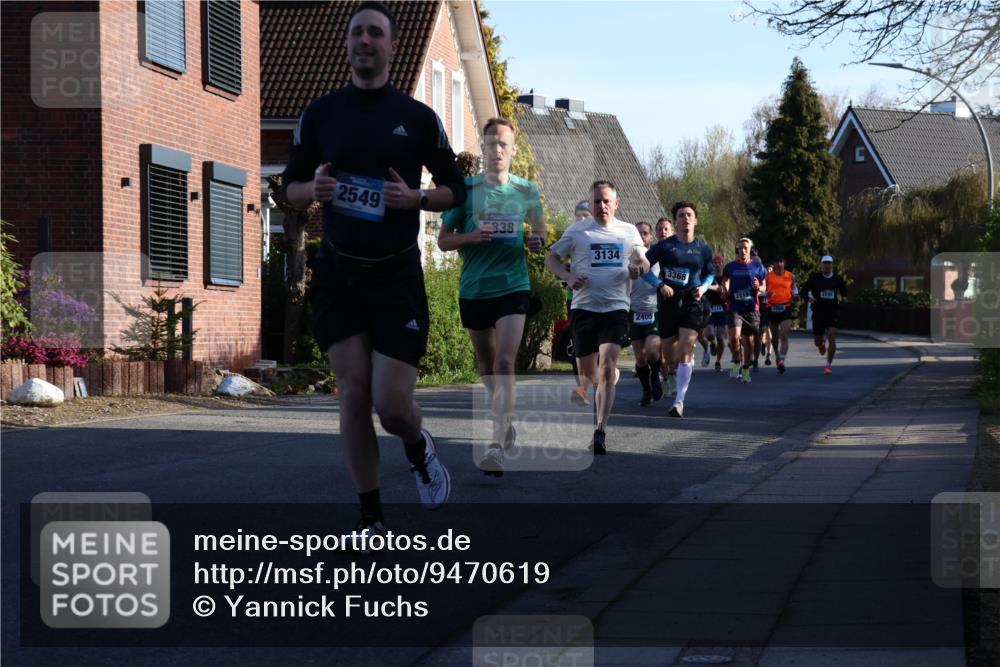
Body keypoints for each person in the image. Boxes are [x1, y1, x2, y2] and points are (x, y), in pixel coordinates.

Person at [283, 1, 467, 535]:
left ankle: (418, 443)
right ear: (348, 43)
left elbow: (456, 186)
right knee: (352, 391)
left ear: (392, 46)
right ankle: (371, 513)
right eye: (357, 32)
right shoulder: (320, 114)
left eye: (375, 33)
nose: (365, 40)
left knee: (390, 404)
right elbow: (290, 187)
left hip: (395, 276)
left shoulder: (416, 118)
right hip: (339, 274)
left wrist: (418, 199)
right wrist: (309, 191)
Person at [439, 117, 546, 477]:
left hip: (513, 286)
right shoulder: (466, 192)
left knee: (503, 363)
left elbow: (541, 234)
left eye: (503, 144)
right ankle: (506, 421)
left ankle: (497, 443)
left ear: (513, 150)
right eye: (490, 144)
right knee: (487, 369)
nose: (497, 149)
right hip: (474, 289)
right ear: (482, 149)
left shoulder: (527, 191)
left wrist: (537, 240)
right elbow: (443, 239)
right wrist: (471, 237)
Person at [546, 180, 649, 454]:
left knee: (605, 368)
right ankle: (605, 378)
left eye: (606, 201)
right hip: (584, 309)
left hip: (615, 309)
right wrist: (567, 276)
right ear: (590, 204)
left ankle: (600, 430)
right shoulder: (578, 231)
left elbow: (644, 260)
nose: (601, 206)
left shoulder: (628, 232)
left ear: (616, 203)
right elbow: (551, 259)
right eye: (596, 202)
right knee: (588, 375)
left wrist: (638, 268)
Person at [645, 201, 715, 418]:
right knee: (669, 354)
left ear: (695, 220)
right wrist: (659, 285)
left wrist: (703, 288)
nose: (685, 218)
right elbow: (643, 269)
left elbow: (709, 273)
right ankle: (674, 374)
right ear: (675, 220)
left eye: (689, 214)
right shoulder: (664, 246)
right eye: (681, 215)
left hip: (692, 302)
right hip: (668, 303)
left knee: (685, 348)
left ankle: (679, 401)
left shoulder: (703, 248)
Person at [722, 238, 767, 384]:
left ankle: (746, 368)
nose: (742, 251)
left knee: (748, 340)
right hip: (735, 306)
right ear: (737, 250)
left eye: (745, 248)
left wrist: (758, 287)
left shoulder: (758, 267)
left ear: (750, 250)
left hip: (751, 307)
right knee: (734, 337)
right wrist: (725, 289)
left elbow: (764, 287)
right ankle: (736, 361)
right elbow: (725, 282)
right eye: (740, 248)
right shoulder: (730, 267)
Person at [629, 222, 663, 406]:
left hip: (654, 311)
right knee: (640, 358)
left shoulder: (657, 258)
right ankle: (646, 389)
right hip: (634, 311)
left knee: (651, 350)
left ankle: (656, 376)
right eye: (638, 233)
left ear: (651, 237)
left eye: (645, 233)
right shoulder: (627, 258)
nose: (642, 236)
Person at [801, 255, 848, 374]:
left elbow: (844, 291)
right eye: (825, 263)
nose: (827, 265)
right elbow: (804, 291)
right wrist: (809, 298)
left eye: (829, 263)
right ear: (821, 265)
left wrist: (844, 298)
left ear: (832, 265)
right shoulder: (815, 278)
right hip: (818, 312)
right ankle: (821, 344)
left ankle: (828, 365)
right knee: (817, 341)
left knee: (832, 336)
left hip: (832, 311)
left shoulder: (837, 279)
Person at [566, 200, 593, 406]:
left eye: (586, 216)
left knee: (598, 350)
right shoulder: (572, 234)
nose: (582, 220)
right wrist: (568, 273)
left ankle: (607, 375)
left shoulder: (604, 235)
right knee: (579, 347)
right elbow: (558, 259)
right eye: (579, 216)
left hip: (602, 299)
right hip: (575, 299)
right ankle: (582, 388)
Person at [652, 216, 677, 393]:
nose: (663, 232)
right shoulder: (652, 252)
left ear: (672, 231)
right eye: (660, 229)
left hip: (677, 302)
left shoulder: (680, 251)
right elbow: (644, 272)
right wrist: (659, 284)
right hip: (656, 303)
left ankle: (674, 373)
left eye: (666, 228)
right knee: (661, 346)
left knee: (674, 345)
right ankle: (666, 377)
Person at [765, 255, 798, 373]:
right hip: (772, 308)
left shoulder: (790, 276)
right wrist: (766, 294)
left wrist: (795, 295)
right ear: (773, 263)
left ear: (784, 262)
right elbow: (763, 290)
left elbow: (794, 289)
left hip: (786, 307)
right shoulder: (768, 276)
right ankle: (777, 355)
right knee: (774, 338)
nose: (778, 264)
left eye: (780, 262)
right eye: (776, 262)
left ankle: (782, 360)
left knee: (784, 335)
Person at [703, 254, 729, 372]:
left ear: (722, 264)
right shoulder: (709, 276)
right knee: (709, 334)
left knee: (721, 338)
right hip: (710, 309)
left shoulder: (726, 277)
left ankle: (718, 362)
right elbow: (704, 286)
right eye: (715, 263)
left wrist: (721, 291)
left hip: (723, 310)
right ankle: (712, 343)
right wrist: (714, 288)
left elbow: (725, 290)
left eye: (719, 263)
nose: (717, 265)